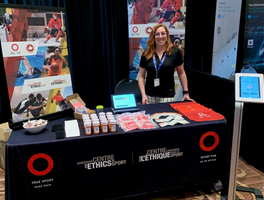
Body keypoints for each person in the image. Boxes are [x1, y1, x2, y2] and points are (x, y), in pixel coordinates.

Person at [138, 24, 192, 104]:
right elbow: (141, 76)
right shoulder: (147, 53)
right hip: (149, 96)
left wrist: (186, 92)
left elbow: (181, 73)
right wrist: (143, 95)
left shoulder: (175, 52)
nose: (160, 36)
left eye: (163, 33)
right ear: (153, 36)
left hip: (167, 96)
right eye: (157, 34)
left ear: (167, 35)